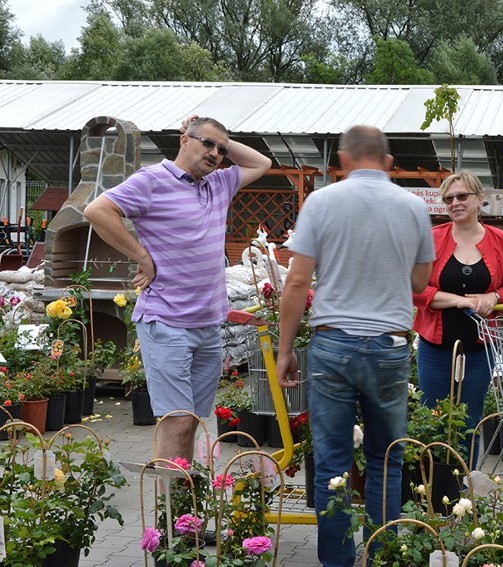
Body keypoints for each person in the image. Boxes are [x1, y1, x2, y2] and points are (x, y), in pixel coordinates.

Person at [275, 125, 434, 567]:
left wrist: (286, 350)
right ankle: (381, 558)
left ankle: (337, 563)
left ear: (342, 161)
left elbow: (298, 281)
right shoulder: (413, 207)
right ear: (388, 163)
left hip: (332, 346)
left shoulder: (321, 202)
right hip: (389, 347)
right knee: (387, 459)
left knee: (331, 464)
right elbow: (420, 282)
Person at [84, 116, 271, 461]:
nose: (215, 153)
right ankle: (170, 511)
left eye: (221, 149)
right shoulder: (153, 180)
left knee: (191, 422)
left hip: (208, 325)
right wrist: (142, 255)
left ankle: (184, 504)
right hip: (167, 322)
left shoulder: (219, 183)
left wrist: (223, 141)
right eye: (207, 144)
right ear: (184, 139)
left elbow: (262, 163)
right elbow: (97, 210)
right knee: (176, 421)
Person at [413, 171, 503, 466]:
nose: (455, 203)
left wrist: (494, 297)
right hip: (435, 348)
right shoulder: (433, 239)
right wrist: (460, 301)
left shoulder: (500, 241)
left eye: (462, 196)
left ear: (479, 200)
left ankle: (462, 494)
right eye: (448, 199)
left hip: (479, 349)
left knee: (470, 422)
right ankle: (430, 490)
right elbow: (416, 289)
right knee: (432, 419)